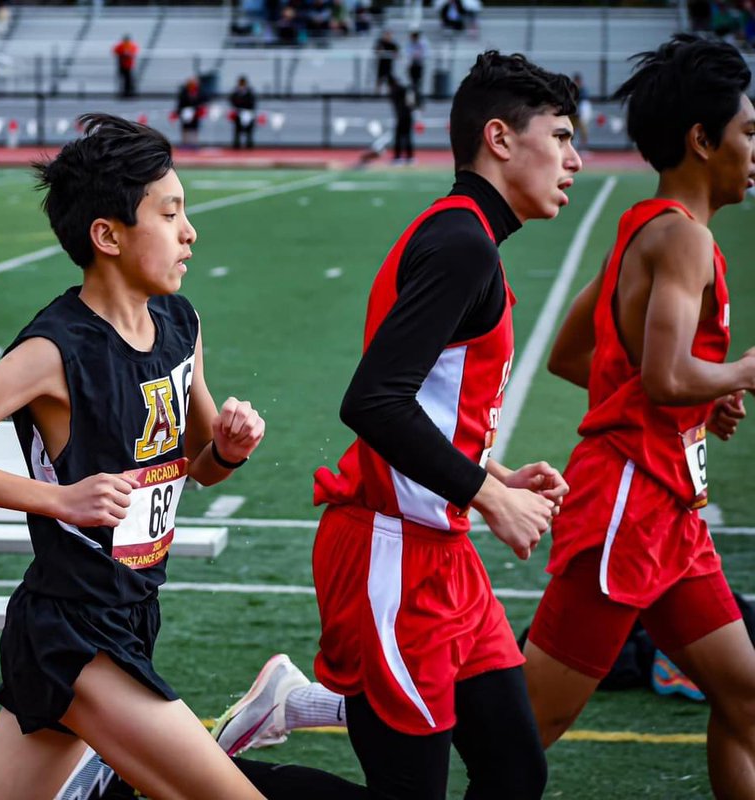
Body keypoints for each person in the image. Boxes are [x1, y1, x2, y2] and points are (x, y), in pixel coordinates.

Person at [216, 51, 582, 799]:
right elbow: (373, 402)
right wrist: (489, 493)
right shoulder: (462, 243)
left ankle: (281, 710)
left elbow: (420, 399)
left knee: (515, 772)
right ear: (501, 139)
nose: (574, 159)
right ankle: (161, 777)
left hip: (441, 556)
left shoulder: (470, 238)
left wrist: (496, 476)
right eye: (563, 136)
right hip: (391, 554)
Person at [0, 113, 268, 800]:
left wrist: (230, 450)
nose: (191, 232)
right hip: (72, 631)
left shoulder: (181, 324)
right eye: (172, 213)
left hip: (130, 611)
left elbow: (198, 465)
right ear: (108, 235)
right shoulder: (53, 351)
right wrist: (57, 498)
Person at [523, 35, 755, 799]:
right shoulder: (683, 238)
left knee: (746, 699)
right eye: (747, 132)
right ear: (701, 138)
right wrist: (737, 373)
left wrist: (702, 395)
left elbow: (575, 356)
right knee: (527, 726)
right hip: (627, 506)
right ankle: (314, 705)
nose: (754, 150)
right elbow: (662, 375)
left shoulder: (644, 225)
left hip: (668, 511)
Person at [388, 73, 417, 164]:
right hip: (405, 116)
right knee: (405, 137)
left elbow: (410, 98)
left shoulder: (396, 91)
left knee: (400, 137)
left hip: (403, 116)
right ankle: (408, 157)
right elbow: (410, 97)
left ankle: (400, 157)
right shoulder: (398, 90)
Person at [175, 76, 204, 149]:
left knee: (194, 128)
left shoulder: (198, 91)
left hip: (195, 113)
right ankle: (185, 143)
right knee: (185, 128)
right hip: (185, 112)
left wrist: (198, 109)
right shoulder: (184, 91)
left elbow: (201, 101)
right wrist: (179, 111)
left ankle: (194, 143)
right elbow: (180, 102)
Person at [229, 75, 256, 149]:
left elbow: (252, 101)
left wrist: (248, 109)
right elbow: (232, 100)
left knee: (249, 130)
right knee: (237, 129)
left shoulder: (249, 91)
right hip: (238, 112)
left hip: (248, 112)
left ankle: (249, 144)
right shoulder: (236, 91)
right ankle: (236, 144)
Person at [568, 72, 592, 153]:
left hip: (580, 115)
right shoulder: (570, 90)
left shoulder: (583, 90)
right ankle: (569, 148)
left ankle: (583, 148)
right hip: (572, 114)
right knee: (570, 131)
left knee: (584, 131)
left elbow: (584, 102)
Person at [112, 34, 139, 99]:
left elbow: (133, 53)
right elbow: (115, 51)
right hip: (122, 64)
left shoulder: (131, 46)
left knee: (129, 80)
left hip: (128, 65)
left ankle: (129, 92)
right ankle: (124, 92)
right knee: (123, 79)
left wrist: (127, 54)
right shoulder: (121, 46)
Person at [373, 29, 398, 93]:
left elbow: (396, 53)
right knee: (379, 77)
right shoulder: (380, 42)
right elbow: (376, 50)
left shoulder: (393, 44)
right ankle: (377, 91)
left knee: (389, 78)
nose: (387, 36)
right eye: (386, 35)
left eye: (389, 35)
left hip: (389, 63)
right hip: (381, 63)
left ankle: (389, 91)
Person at [406, 29, 428, 100]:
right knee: (412, 81)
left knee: (418, 80)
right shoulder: (410, 44)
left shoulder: (422, 43)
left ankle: (418, 95)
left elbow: (425, 53)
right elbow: (408, 53)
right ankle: (413, 95)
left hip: (419, 64)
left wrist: (417, 55)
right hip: (412, 64)